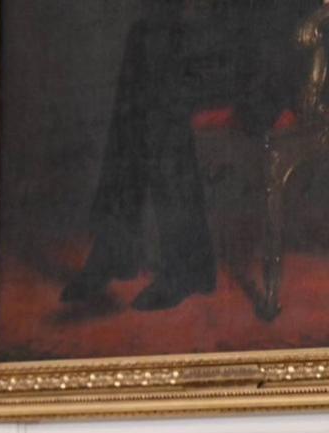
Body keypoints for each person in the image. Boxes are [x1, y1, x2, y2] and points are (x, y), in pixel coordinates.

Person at [61, 1, 317, 311]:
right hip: (238, 36)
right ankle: (124, 245)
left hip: (275, 55)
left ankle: (156, 255)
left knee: (159, 86)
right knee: (142, 41)